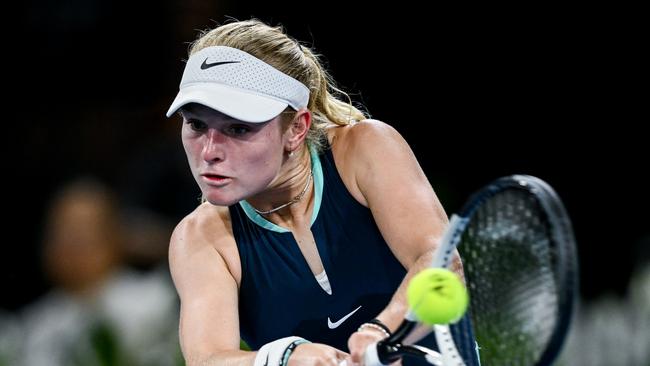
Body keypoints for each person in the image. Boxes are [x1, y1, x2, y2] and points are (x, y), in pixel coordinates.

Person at [166, 19, 479, 366]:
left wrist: (378, 333)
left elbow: (441, 263)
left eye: (238, 128)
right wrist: (282, 358)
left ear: (296, 129)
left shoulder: (365, 149)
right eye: (196, 124)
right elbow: (207, 359)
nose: (209, 151)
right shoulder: (200, 238)